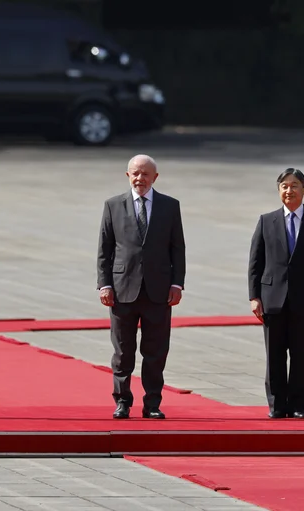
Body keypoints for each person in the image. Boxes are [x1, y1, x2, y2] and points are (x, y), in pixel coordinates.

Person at [97, 154, 186, 420]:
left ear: (155, 177)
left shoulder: (170, 206)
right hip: (122, 289)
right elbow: (105, 249)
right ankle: (122, 401)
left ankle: (153, 403)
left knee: (156, 350)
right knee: (123, 351)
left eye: (145, 174)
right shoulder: (113, 205)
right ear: (128, 176)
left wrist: (177, 283)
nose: (140, 178)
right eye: (135, 173)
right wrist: (104, 285)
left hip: (158, 291)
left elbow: (177, 248)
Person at [248, 168, 304, 419]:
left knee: (300, 354)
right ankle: (276, 405)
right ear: (279, 191)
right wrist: (254, 296)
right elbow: (256, 262)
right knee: (274, 355)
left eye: (294, 185)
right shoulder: (267, 221)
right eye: (284, 186)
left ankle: (298, 405)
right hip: (272, 299)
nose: (289, 190)